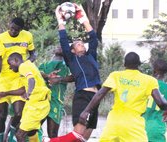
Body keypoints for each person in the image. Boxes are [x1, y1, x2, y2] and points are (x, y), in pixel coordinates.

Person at [79, 52, 167, 142]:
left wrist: (86, 111)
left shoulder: (115, 75)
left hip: (114, 122)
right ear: (138, 64)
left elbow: (100, 94)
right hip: (133, 124)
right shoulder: (149, 80)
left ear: (124, 64)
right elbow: (160, 102)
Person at [44, 4, 101, 142]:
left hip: (96, 98)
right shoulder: (72, 59)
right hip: (83, 95)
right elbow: (63, 40)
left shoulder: (91, 55)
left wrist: (82, 17)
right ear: (73, 50)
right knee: (77, 134)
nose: (80, 43)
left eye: (81, 42)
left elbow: (93, 37)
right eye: (77, 43)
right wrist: (60, 20)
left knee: (83, 138)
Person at [0, 17, 36, 142]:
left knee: (19, 113)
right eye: (11, 28)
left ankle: (11, 137)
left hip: (19, 79)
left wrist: (25, 65)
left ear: (21, 30)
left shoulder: (28, 36)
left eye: (16, 30)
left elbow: (34, 54)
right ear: (9, 24)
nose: (13, 31)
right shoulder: (0, 38)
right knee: (2, 115)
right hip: (3, 79)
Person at [1, 52, 51, 142]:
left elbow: (31, 80)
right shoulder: (29, 65)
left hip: (37, 106)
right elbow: (23, 89)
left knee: (20, 134)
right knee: (31, 133)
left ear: (16, 60)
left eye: (10, 64)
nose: (10, 67)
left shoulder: (23, 66)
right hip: (36, 104)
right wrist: (6, 93)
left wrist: (29, 92)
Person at [39, 46, 73, 138]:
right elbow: (37, 73)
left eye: (62, 46)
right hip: (42, 101)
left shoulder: (68, 66)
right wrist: (47, 76)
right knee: (34, 128)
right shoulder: (45, 64)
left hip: (56, 102)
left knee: (52, 134)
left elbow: (74, 77)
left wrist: (59, 79)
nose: (59, 47)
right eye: (58, 46)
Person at [143, 59, 167, 142]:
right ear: (166, 72)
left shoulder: (143, 85)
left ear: (153, 70)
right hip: (157, 132)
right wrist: (161, 122)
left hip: (138, 130)